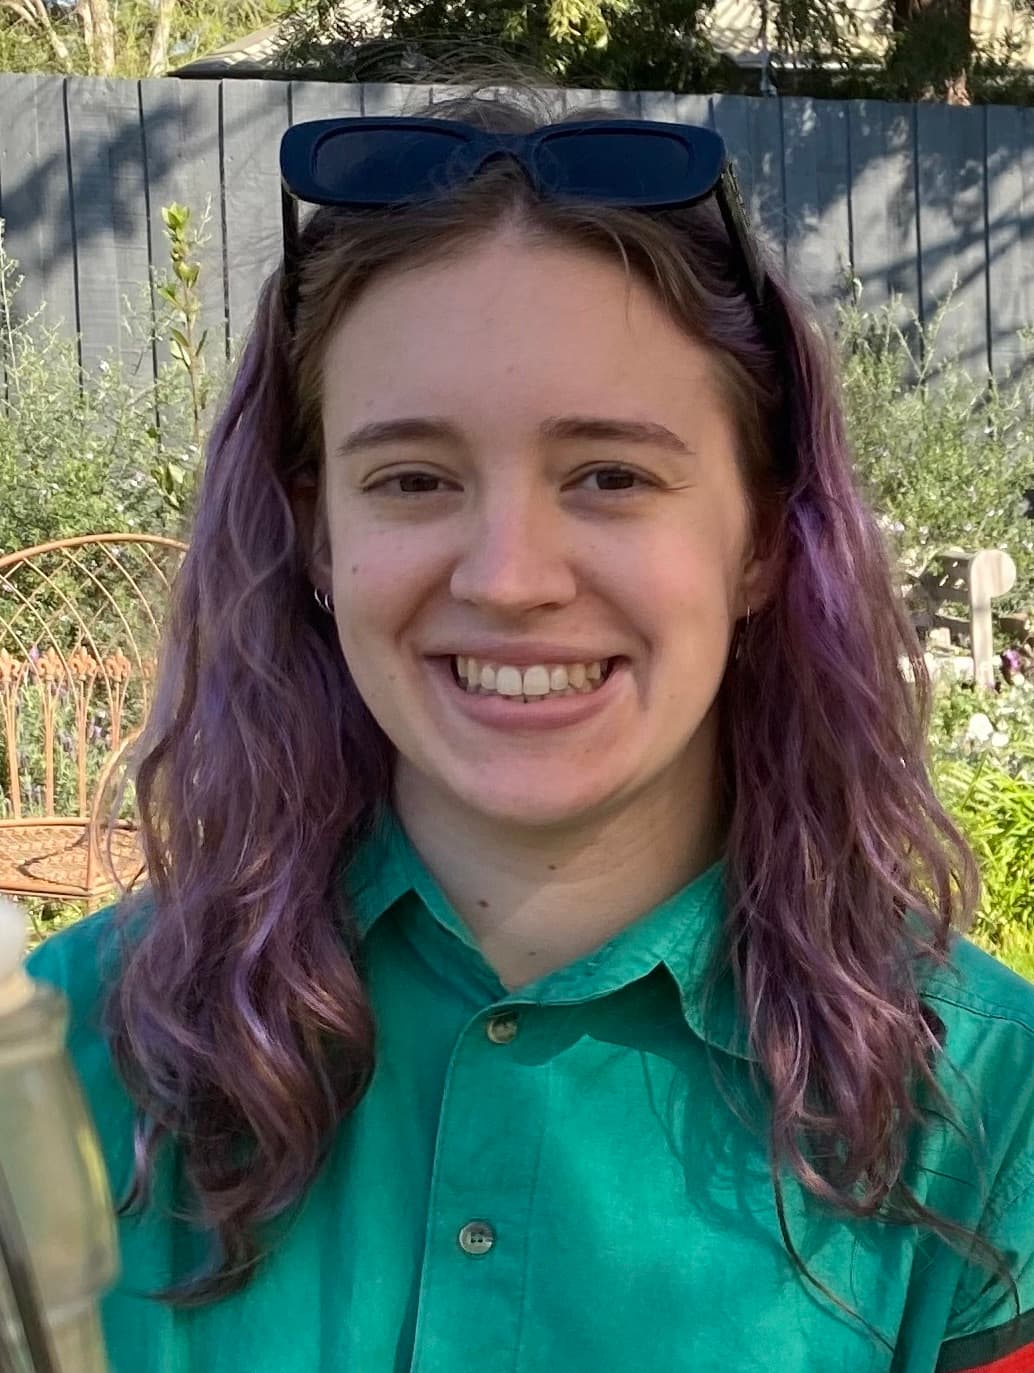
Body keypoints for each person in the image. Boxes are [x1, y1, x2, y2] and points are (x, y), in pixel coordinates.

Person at [26, 81, 1034, 1373]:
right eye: (413, 478)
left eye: (609, 475)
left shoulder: (988, 1111)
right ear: (317, 533)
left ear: (760, 539)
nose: (509, 575)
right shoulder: (61, 1059)